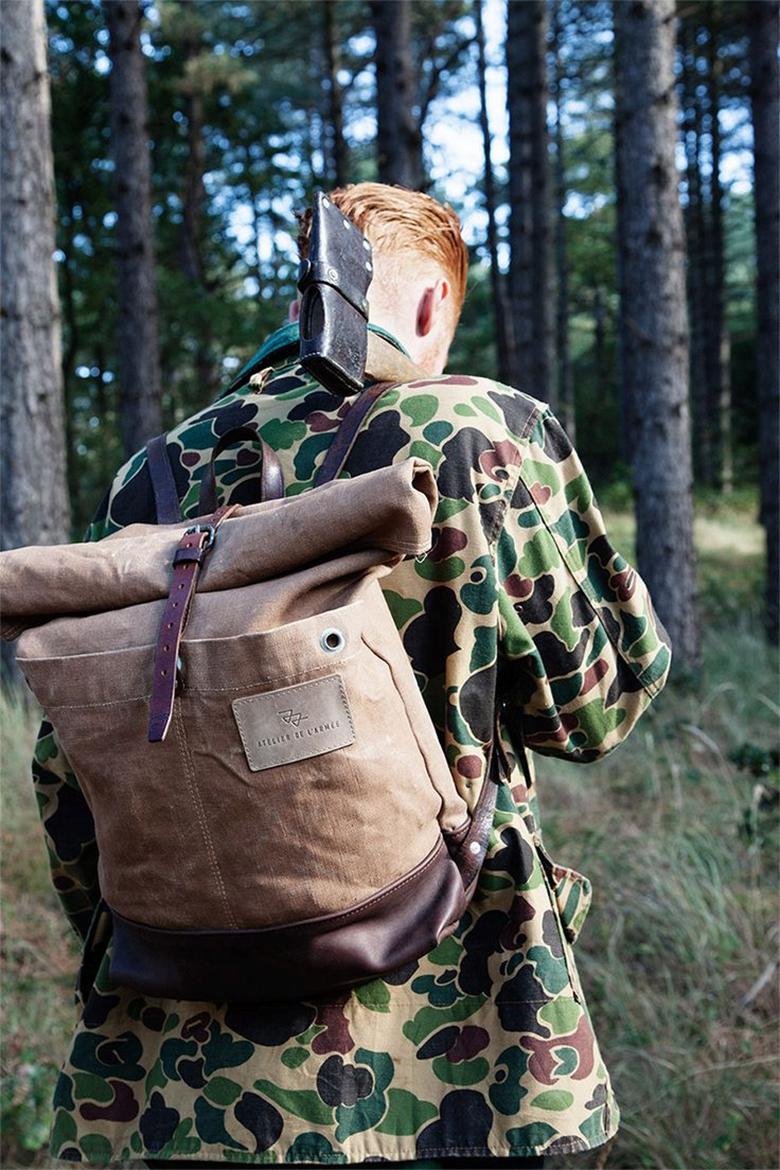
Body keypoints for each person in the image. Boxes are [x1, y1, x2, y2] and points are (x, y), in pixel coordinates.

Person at [33, 182, 671, 1167]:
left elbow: (72, 769)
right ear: (431, 309)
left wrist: (162, 936)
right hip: (463, 1037)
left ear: (296, 302)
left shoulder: (151, 477)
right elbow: (593, 709)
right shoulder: (475, 429)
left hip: (187, 1052)